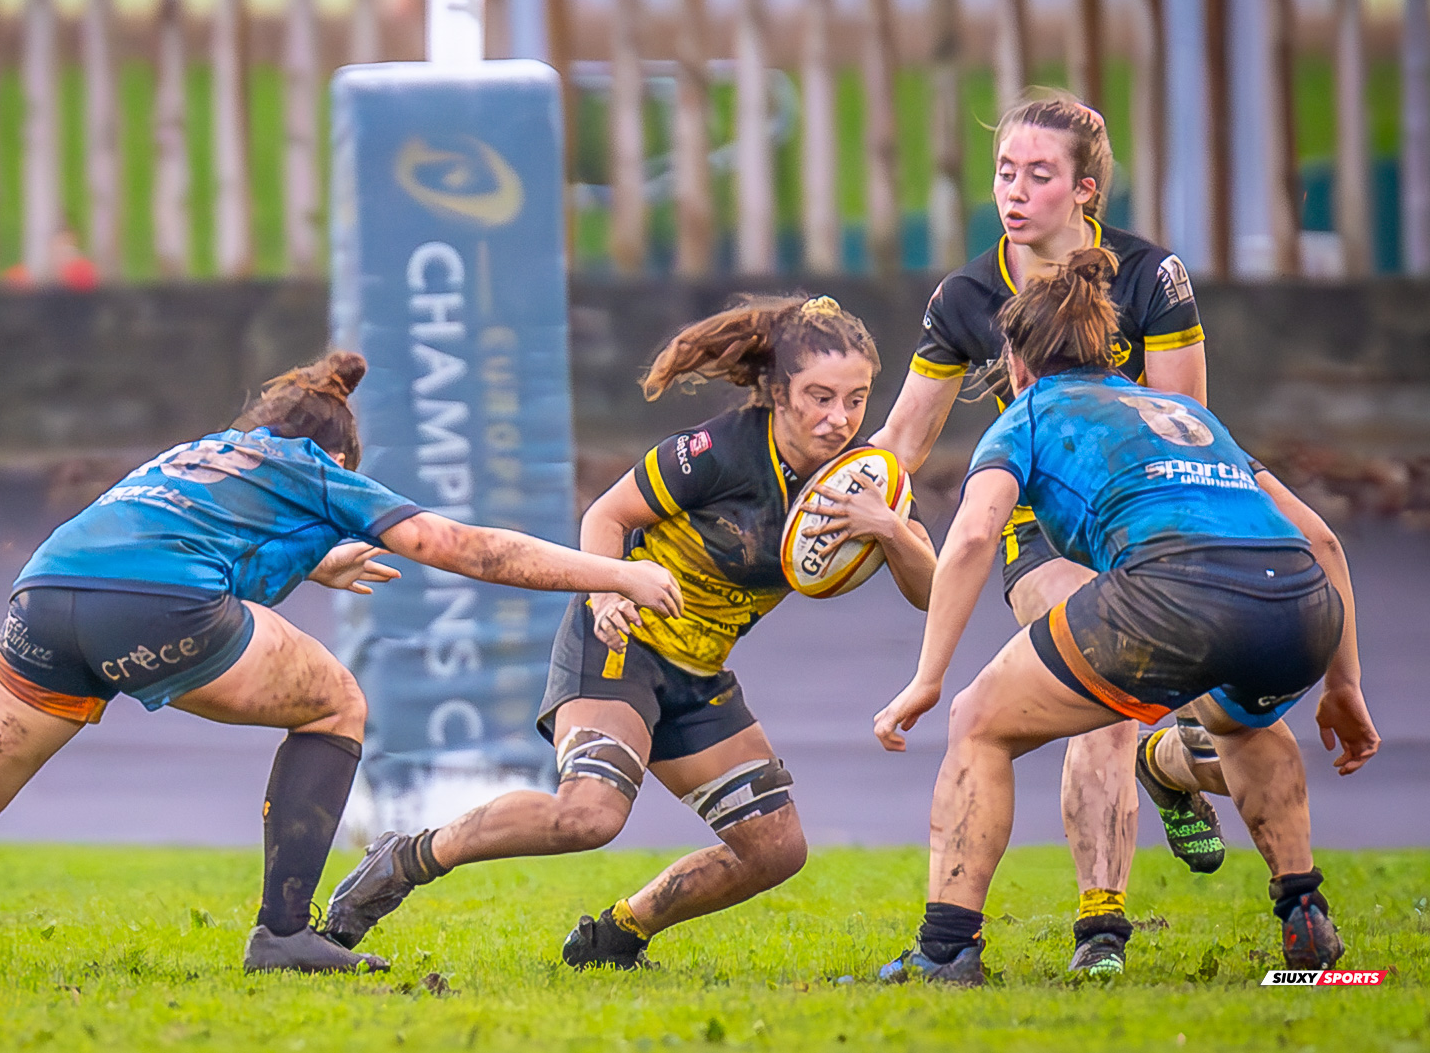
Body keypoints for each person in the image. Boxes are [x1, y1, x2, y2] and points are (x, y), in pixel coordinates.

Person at [0, 352, 682, 976]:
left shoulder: (200, 451)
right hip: (153, 608)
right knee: (337, 702)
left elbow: (180, 532)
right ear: (336, 453)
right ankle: (286, 933)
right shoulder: (318, 470)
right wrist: (616, 576)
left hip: (46, 595)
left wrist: (317, 554)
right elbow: (472, 549)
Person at [324, 296, 938, 967]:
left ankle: (617, 934)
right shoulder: (719, 449)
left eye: (856, 399)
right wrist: (605, 585)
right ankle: (407, 857)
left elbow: (932, 590)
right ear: (778, 391)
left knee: (776, 848)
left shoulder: (860, 478)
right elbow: (605, 515)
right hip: (621, 640)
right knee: (588, 815)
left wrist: (890, 529)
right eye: (819, 397)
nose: (839, 418)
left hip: (698, 672)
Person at [871, 252, 1381, 985]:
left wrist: (925, 679)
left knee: (978, 719)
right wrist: (1344, 683)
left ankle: (947, 949)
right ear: (1111, 352)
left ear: (1016, 361)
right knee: (1243, 724)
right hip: (1296, 605)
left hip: (1171, 592)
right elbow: (1323, 539)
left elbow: (977, 535)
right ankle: (1303, 908)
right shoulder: (1188, 416)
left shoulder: (1032, 413)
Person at [869, 91, 1230, 977]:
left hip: (1154, 527)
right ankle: (1101, 933)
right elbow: (900, 445)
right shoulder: (966, 296)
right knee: (1099, 668)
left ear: (1087, 189)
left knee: (1237, 740)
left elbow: (1187, 421)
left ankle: (1172, 766)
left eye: (1039, 174)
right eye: (1003, 172)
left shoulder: (1151, 278)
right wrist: (822, 498)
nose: (1014, 191)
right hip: (1048, 539)